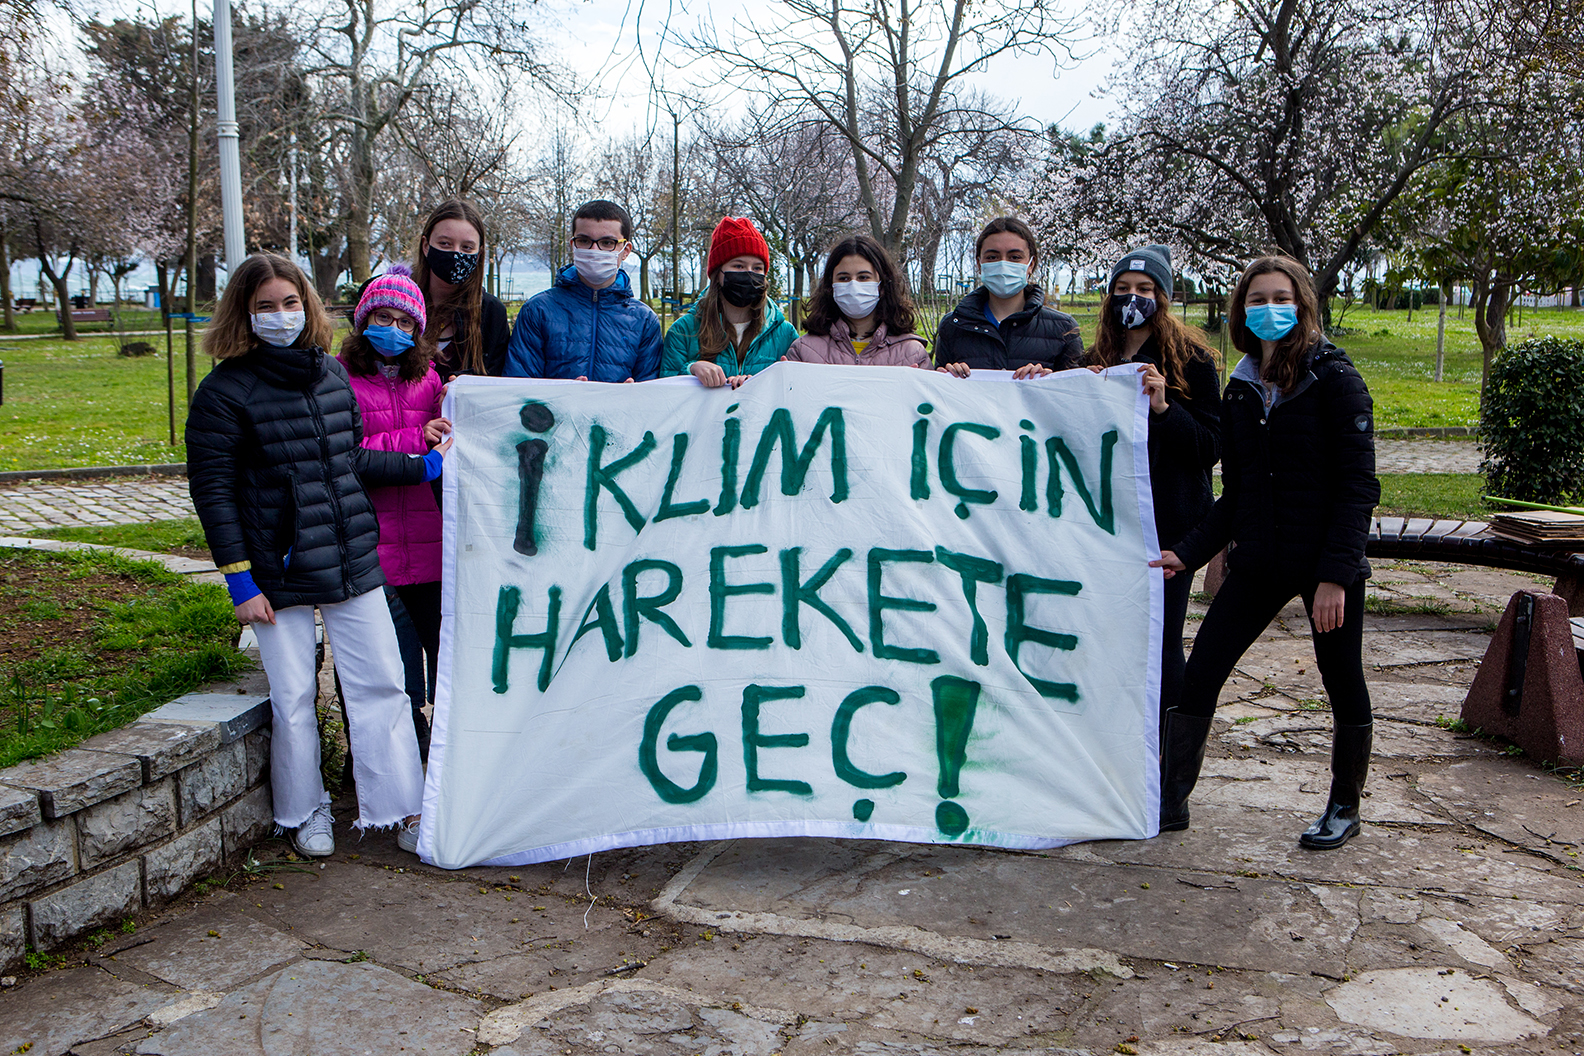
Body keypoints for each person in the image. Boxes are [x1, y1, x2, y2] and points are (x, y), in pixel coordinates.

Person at [186, 253, 446, 859]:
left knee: (383, 686)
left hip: (353, 556)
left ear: (308, 307)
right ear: (243, 315)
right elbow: (214, 492)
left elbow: (348, 460)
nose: (281, 316)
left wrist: (421, 465)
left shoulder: (330, 375)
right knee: (295, 698)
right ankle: (305, 811)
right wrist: (239, 581)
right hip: (275, 569)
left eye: (290, 303)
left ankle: (401, 808)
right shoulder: (224, 392)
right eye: (265, 307)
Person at [1151, 255, 1379, 849]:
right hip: (1259, 559)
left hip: (1325, 563)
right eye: (1257, 299)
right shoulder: (1244, 386)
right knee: (1200, 675)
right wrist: (1190, 552)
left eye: (1281, 297)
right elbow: (1239, 493)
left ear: (1302, 304)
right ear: (1242, 311)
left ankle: (1344, 806)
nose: (1268, 309)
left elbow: (1360, 488)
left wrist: (1334, 576)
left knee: (1342, 680)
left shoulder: (1335, 378)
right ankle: (1169, 800)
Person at [1084, 246, 1220, 739]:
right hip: (1107, 524)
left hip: (1170, 529)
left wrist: (1165, 409)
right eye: (1123, 289)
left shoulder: (1194, 362)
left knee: (1160, 641)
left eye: (1144, 290)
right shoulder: (1093, 359)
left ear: (1162, 297)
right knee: (1110, 638)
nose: (1132, 298)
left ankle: (1170, 751)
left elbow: (1210, 446)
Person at [337, 264, 449, 765]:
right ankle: (398, 757)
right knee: (394, 668)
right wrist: (413, 441)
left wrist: (459, 406)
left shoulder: (429, 378)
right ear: (364, 320)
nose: (395, 330)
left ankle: (447, 752)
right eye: (384, 317)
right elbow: (344, 451)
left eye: (407, 323)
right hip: (372, 545)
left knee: (447, 658)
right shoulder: (338, 378)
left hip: (430, 545)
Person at [504, 199, 662, 382]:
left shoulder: (644, 321)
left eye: (607, 242)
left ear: (625, 250)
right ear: (573, 245)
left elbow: (651, 396)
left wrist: (632, 398)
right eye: (584, 241)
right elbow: (519, 388)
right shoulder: (537, 311)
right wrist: (562, 397)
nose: (594, 249)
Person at [933, 216, 1083, 378]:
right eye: (992, 257)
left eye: (1015, 257)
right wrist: (948, 376)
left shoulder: (1063, 328)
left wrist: (1049, 380)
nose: (1003, 264)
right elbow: (938, 397)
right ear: (979, 264)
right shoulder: (954, 326)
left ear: (1030, 264)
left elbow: (1076, 394)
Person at [660, 216, 798, 387]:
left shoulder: (785, 334)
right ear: (718, 273)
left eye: (757, 268)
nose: (749, 273)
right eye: (738, 266)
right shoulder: (683, 332)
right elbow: (665, 393)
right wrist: (691, 370)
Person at [786, 234, 930, 367]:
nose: (853, 285)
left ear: (883, 284)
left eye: (863, 277)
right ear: (830, 286)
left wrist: (951, 377)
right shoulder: (804, 351)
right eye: (844, 278)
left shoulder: (912, 354)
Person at [413, 199, 509, 379]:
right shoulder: (397, 303)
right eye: (445, 244)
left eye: (466, 247)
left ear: (479, 254)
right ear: (426, 246)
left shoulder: (491, 313)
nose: (456, 254)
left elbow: (497, 381)